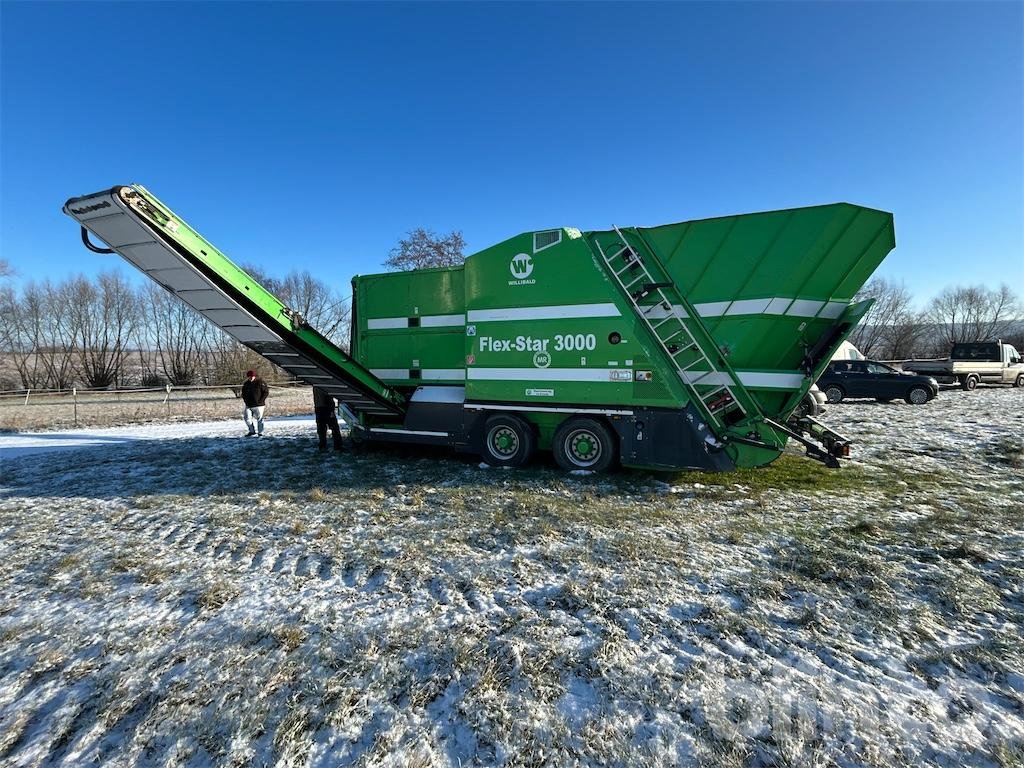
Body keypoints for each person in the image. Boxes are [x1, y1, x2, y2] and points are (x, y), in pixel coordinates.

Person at [313, 386, 344, 452]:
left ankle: (322, 445)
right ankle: (338, 446)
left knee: (321, 428)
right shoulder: (325, 384)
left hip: (318, 407)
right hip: (327, 408)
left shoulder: (315, 384)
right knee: (334, 427)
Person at [241, 369, 269, 437]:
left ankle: (260, 432)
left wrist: (261, 400)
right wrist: (245, 401)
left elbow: (265, 392)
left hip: (259, 405)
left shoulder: (260, 382)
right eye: (249, 376)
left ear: (254, 376)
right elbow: (243, 393)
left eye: (252, 376)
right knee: (247, 418)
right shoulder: (246, 384)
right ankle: (251, 431)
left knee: (259, 419)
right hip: (249, 405)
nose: (251, 378)